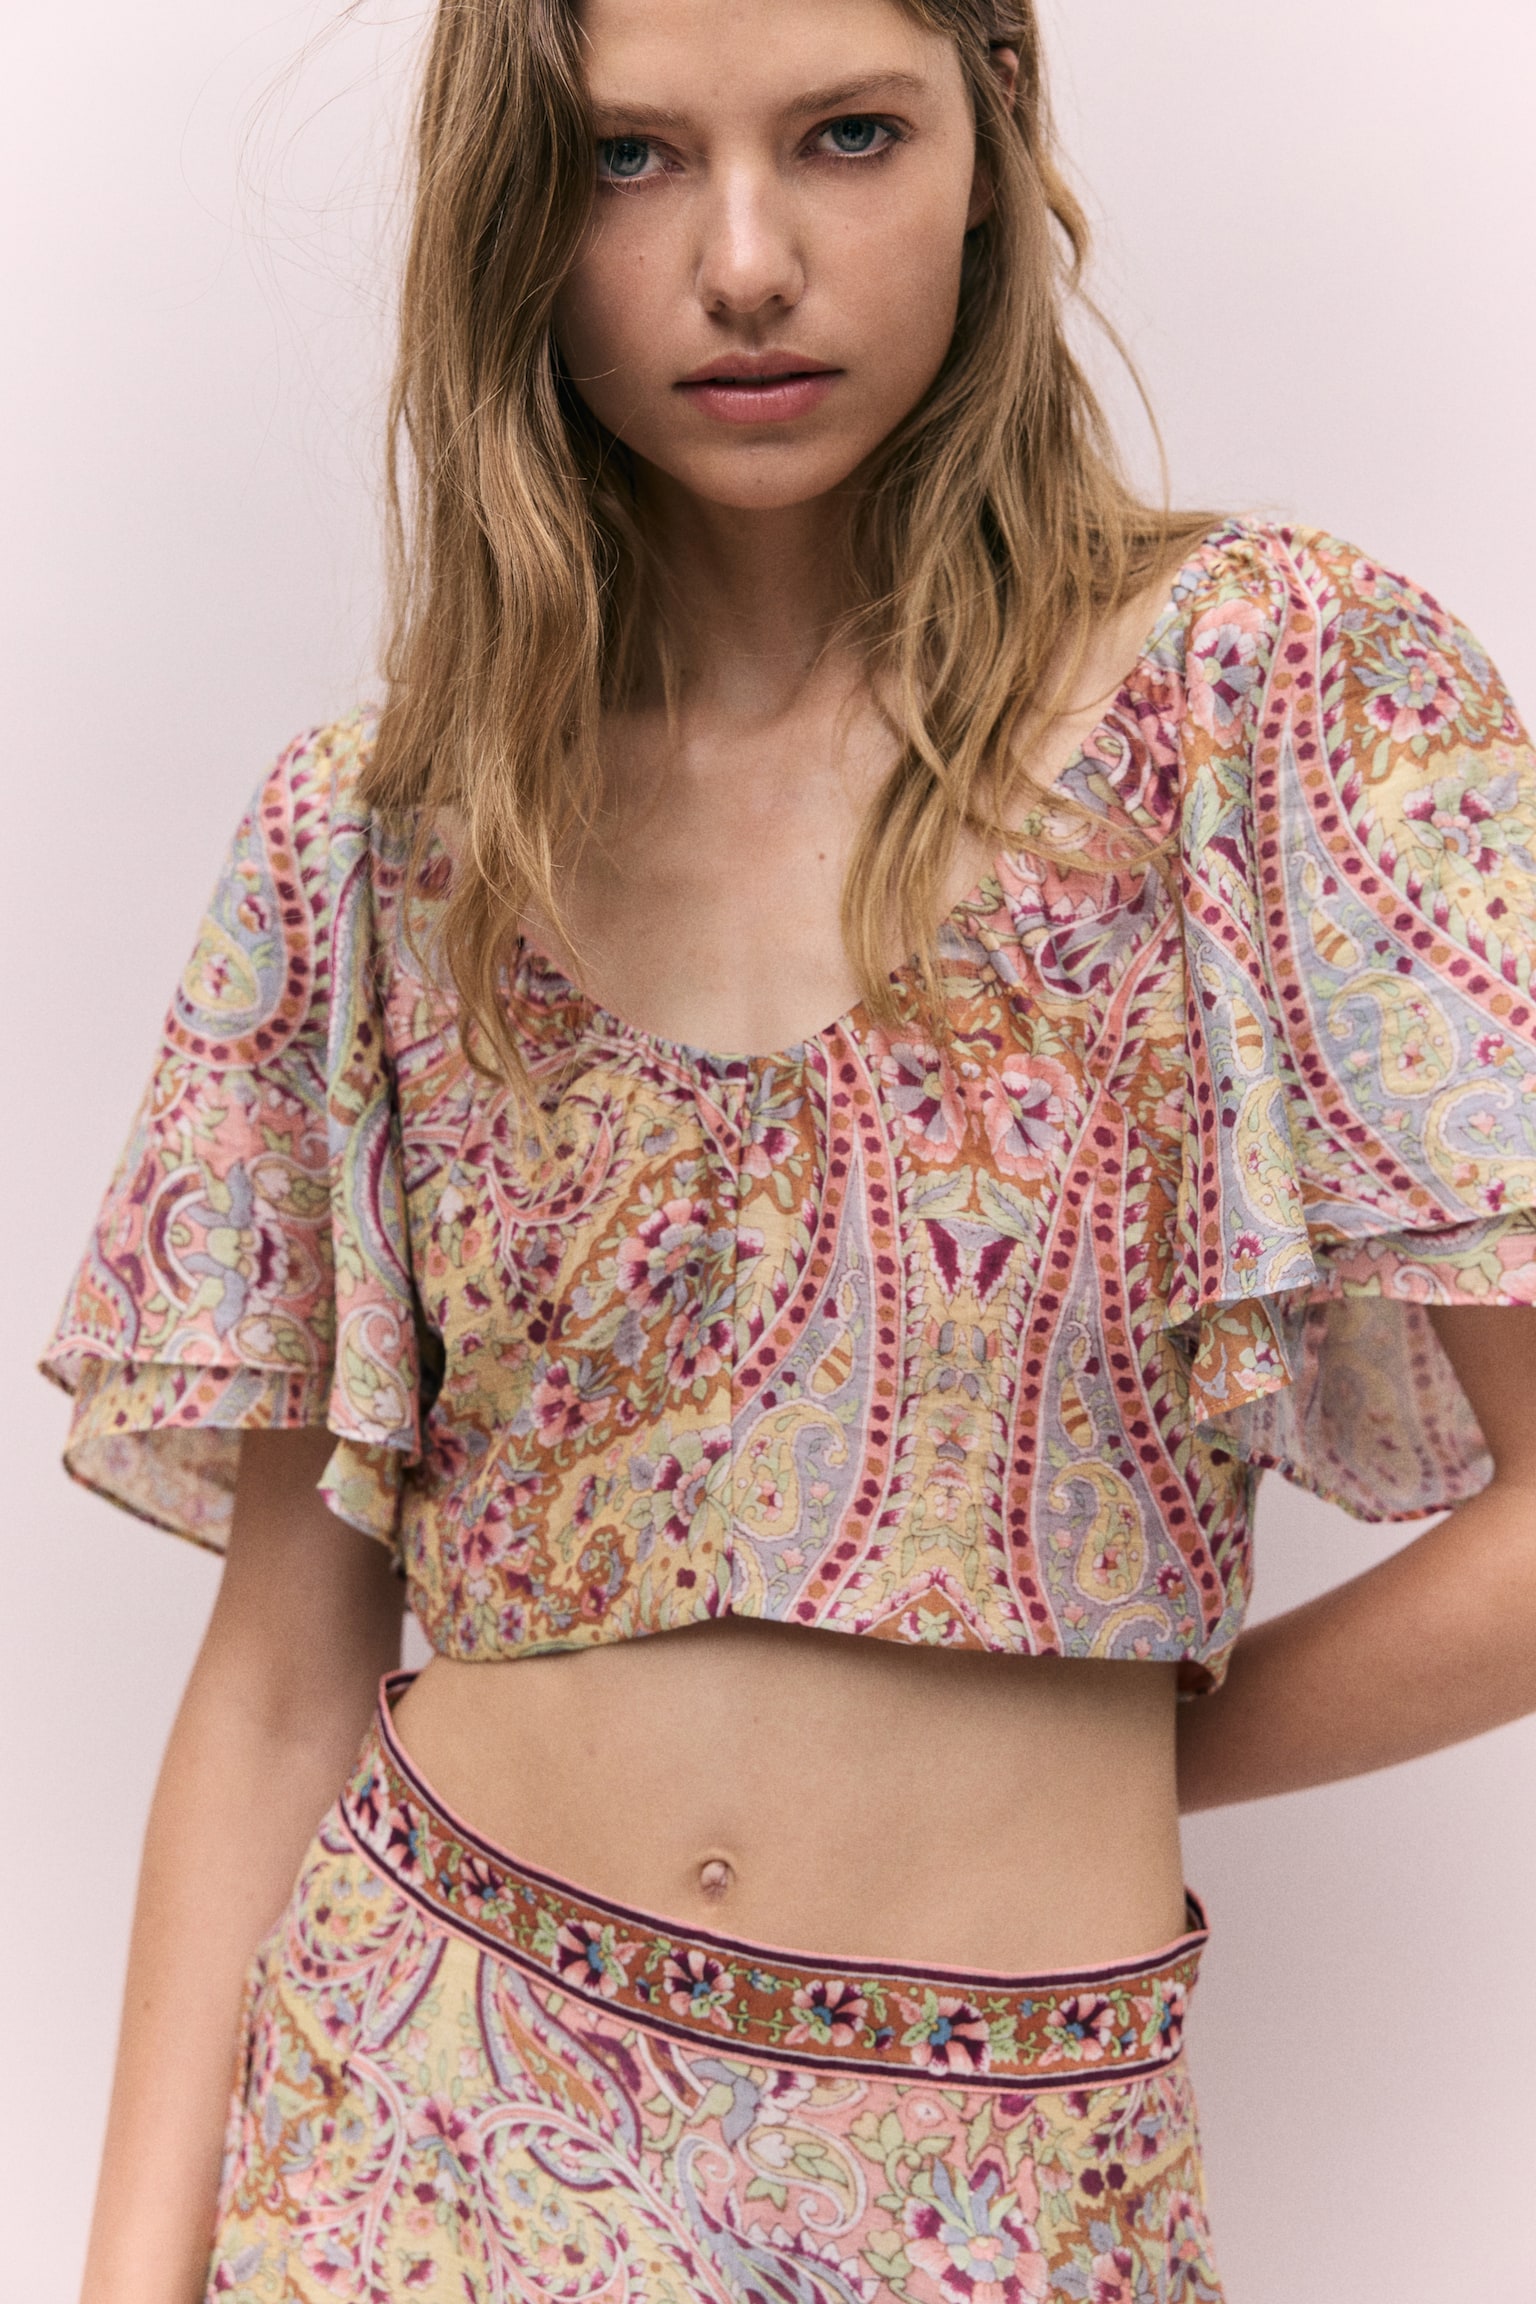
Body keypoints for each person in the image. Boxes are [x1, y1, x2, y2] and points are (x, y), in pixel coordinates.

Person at [42, 0, 1536, 2294]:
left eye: (846, 133)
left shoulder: (1270, 697)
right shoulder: (388, 834)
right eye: (630, 158)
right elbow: (275, 1679)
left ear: (992, 129)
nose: (745, 263)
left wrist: (1110, 1758)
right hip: (414, 2148)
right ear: (518, 212)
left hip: (1002, 2186)